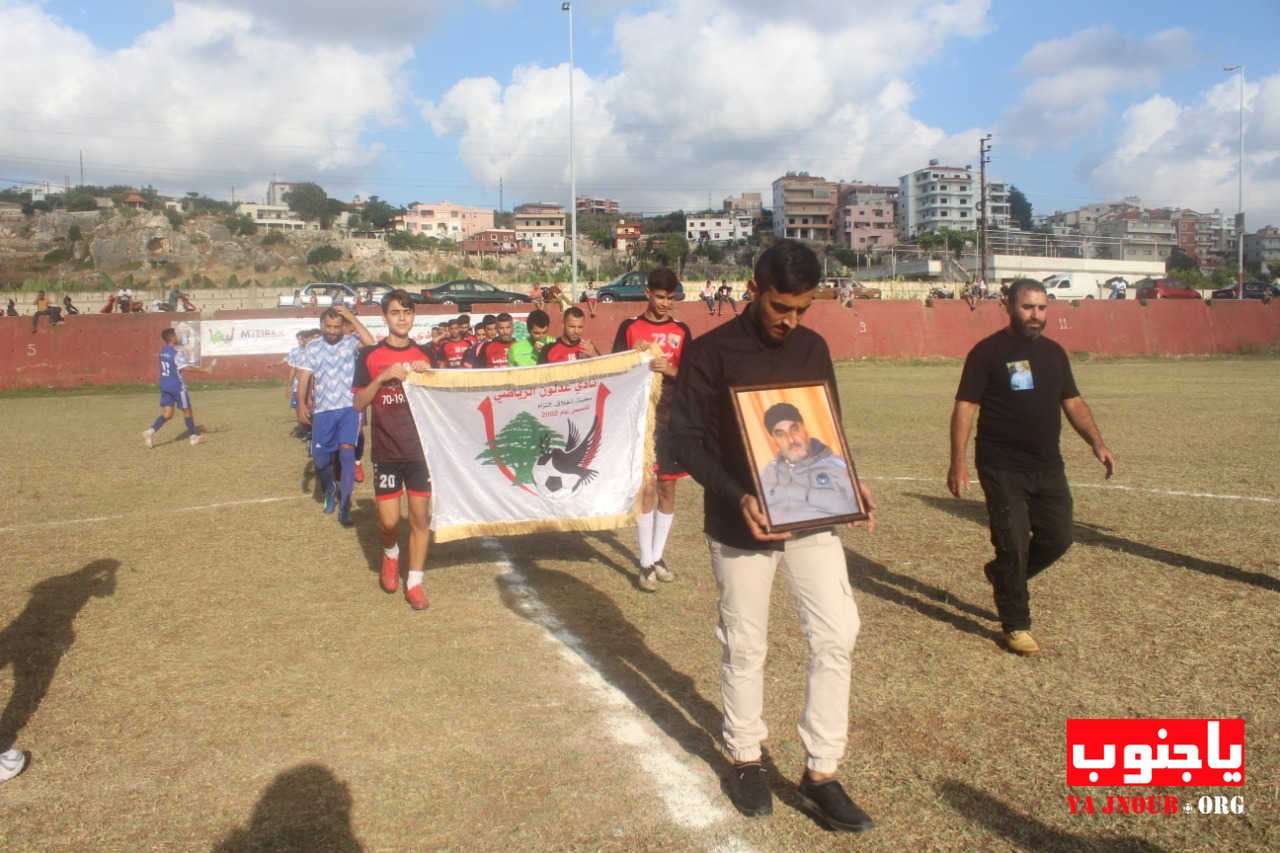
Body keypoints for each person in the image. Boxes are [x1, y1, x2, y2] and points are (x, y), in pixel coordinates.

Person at [668, 239, 876, 832]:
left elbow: (825, 427)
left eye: (802, 309)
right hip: (740, 522)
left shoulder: (812, 347)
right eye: (781, 307)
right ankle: (745, 756)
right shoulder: (709, 353)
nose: (791, 321)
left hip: (811, 514)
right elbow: (683, 441)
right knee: (745, 642)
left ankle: (822, 772)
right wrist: (738, 495)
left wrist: (848, 482)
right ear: (755, 289)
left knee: (838, 632)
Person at [947, 278, 1116, 656]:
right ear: (1008, 306)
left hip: (1047, 464)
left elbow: (1072, 401)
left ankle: (1003, 578)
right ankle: (1016, 624)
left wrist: (1097, 443)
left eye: (1042, 308)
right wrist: (957, 463)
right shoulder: (987, 353)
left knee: (1059, 537)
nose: (1036, 315)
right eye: (1027, 307)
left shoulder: (1054, 354)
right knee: (1013, 545)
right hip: (1001, 464)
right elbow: (965, 408)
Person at [612, 268, 693, 591]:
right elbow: (616, 369)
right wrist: (635, 357)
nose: (664, 304)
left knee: (667, 489)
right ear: (647, 294)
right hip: (640, 420)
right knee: (645, 488)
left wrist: (670, 368)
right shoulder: (630, 328)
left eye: (670, 298)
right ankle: (645, 562)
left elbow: (691, 374)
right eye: (659, 297)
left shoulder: (682, 330)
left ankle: (658, 557)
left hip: (671, 420)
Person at [353, 290, 434, 610]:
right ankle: (390, 554)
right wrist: (384, 377)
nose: (402, 318)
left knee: (419, 519)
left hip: (420, 452)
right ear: (385, 316)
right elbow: (359, 402)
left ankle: (414, 582)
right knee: (388, 522)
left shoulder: (427, 353)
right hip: (387, 451)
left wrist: (428, 374)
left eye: (408, 312)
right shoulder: (369, 356)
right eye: (396, 312)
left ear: (414, 316)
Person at [295, 306, 375, 526]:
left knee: (347, 454)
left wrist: (351, 317)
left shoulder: (351, 343)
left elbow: (371, 344)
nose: (332, 331)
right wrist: (301, 404)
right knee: (321, 460)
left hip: (349, 408)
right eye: (328, 326)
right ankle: (330, 489)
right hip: (323, 410)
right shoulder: (312, 348)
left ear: (342, 327)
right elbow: (304, 378)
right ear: (321, 326)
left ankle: (345, 505)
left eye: (336, 326)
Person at [758, 402, 859, 526]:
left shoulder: (836, 465)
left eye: (794, 429)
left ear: (804, 428)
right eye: (780, 434)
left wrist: (798, 492)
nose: (791, 439)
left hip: (822, 537)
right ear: (774, 440)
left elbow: (852, 508)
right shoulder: (767, 472)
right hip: (778, 542)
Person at [143, 327, 215, 447]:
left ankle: (150, 432)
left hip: (165, 384)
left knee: (168, 414)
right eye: (175, 335)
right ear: (171, 338)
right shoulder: (176, 353)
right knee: (187, 410)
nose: (177, 337)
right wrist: (205, 370)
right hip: (176, 386)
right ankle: (193, 437)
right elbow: (185, 367)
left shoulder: (163, 351)